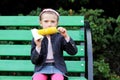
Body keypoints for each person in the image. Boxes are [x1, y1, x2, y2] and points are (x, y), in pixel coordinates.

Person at [31, 8, 77, 80]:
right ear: (41, 23)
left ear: (57, 23)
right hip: (41, 67)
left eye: (53, 22)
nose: (49, 24)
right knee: (38, 78)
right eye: (46, 21)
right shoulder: (37, 38)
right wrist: (38, 46)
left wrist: (66, 36)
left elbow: (73, 52)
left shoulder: (60, 37)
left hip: (57, 67)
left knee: (58, 78)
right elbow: (34, 60)